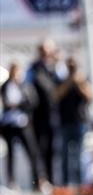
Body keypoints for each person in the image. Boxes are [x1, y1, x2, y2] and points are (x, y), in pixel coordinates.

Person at [1, 62, 46, 190]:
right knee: (11, 155)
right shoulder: (5, 86)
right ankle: (11, 182)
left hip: (23, 123)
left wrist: (19, 105)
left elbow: (32, 102)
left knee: (32, 152)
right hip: (9, 125)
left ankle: (38, 181)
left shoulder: (25, 86)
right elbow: (5, 102)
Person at [54, 57, 93, 185]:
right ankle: (66, 183)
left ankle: (81, 184)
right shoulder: (61, 80)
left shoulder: (82, 80)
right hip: (65, 122)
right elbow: (56, 96)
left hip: (80, 122)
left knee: (80, 156)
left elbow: (90, 96)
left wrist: (79, 83)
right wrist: (69, 82)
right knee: (65, 155)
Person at [27, 39, 61, 184]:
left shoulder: (56, 67)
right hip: (38, 116)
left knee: (52, 151)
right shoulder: (33, 69)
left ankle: (52, 181)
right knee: (39, 150)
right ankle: (39, 182)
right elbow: (27, 87)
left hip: (54, 116)